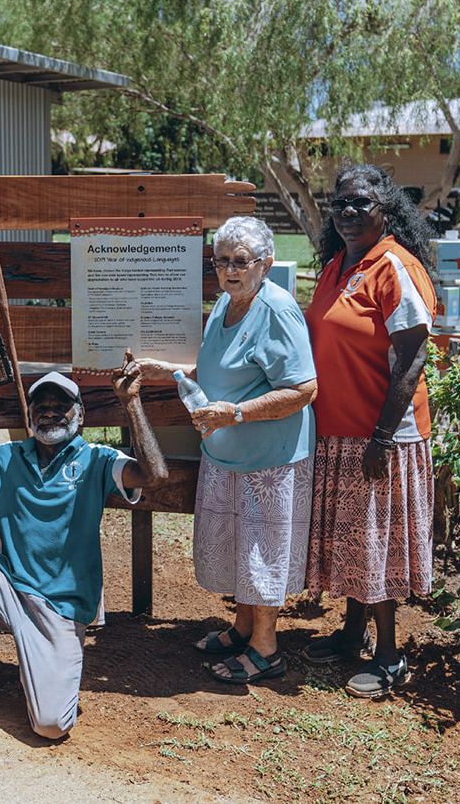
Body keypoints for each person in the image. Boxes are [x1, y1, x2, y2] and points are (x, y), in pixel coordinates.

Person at [0, 353, 168, 739]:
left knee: (51, 725)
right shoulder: (5, 457)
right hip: (8, 589)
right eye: (41, 404)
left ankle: (46, 658)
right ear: (29, 415)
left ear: (80, 415)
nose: (50, 411)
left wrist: (131, 402)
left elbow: (154, 475)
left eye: (61, 404)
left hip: (61, 606)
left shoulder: (98, 459)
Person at [137, 216, 317, 684]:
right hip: (227, 453)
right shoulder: (225, 303)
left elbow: (303, 389)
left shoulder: (277, 309)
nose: (230, 271)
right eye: (221, 261)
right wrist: (165, 369)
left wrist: (235, 414)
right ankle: (243, 628)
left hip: (270, 460)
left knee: (263, 551)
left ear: (265, 264)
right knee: (240, 545)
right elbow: (216, 368)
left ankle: (266, 649)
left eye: (241, 261)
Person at [304, 162, 436, 699]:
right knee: (354, 541)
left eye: (363, 203)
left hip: (382, 436)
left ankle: (389, 654)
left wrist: (382, 437)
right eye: (341, 203)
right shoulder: (337, 265)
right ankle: (351, 633)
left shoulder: (394, 266)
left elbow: (412, 354)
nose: (350, 212)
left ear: (387, 209)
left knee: (376, 545)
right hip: (339, 430)